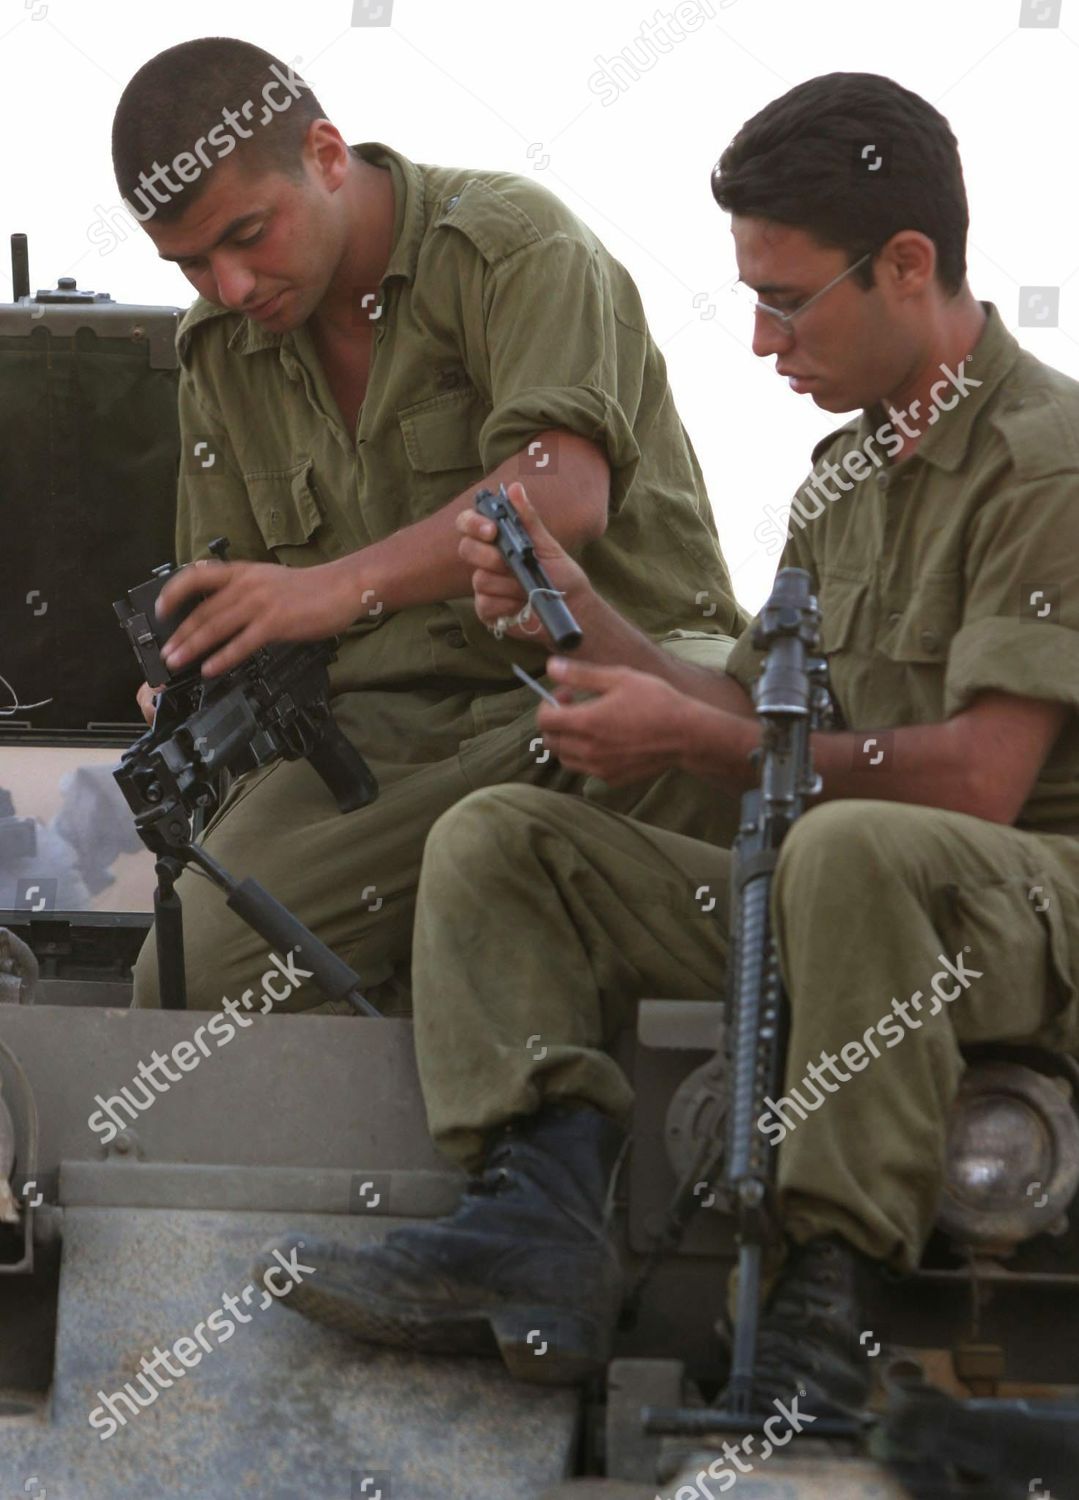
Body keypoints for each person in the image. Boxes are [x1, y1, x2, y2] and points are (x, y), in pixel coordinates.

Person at [258, 72, 1079, 1405]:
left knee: (848, 851)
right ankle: (538, 1210)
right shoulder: (840, 486)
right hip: (836, 900)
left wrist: (708, 752)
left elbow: (981, 783)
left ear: (908, 265)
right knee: (504, 841)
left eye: (786, 298)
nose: (761, 341)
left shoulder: (1044, 459)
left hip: (1016, 914)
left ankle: (831, 1298)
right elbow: (752, 719)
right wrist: (588, 630)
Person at [110, 36, 746, 1014]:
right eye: (191, 262)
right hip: (384, 745)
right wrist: (200, 682)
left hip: (611, 688)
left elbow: (560, 494)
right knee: (191, 973)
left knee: (711, 773)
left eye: (248, 234)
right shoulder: (219, 349)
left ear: (326, 155)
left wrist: (329, 586)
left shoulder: (513, 246)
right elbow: (235, 594)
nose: (229, 286)